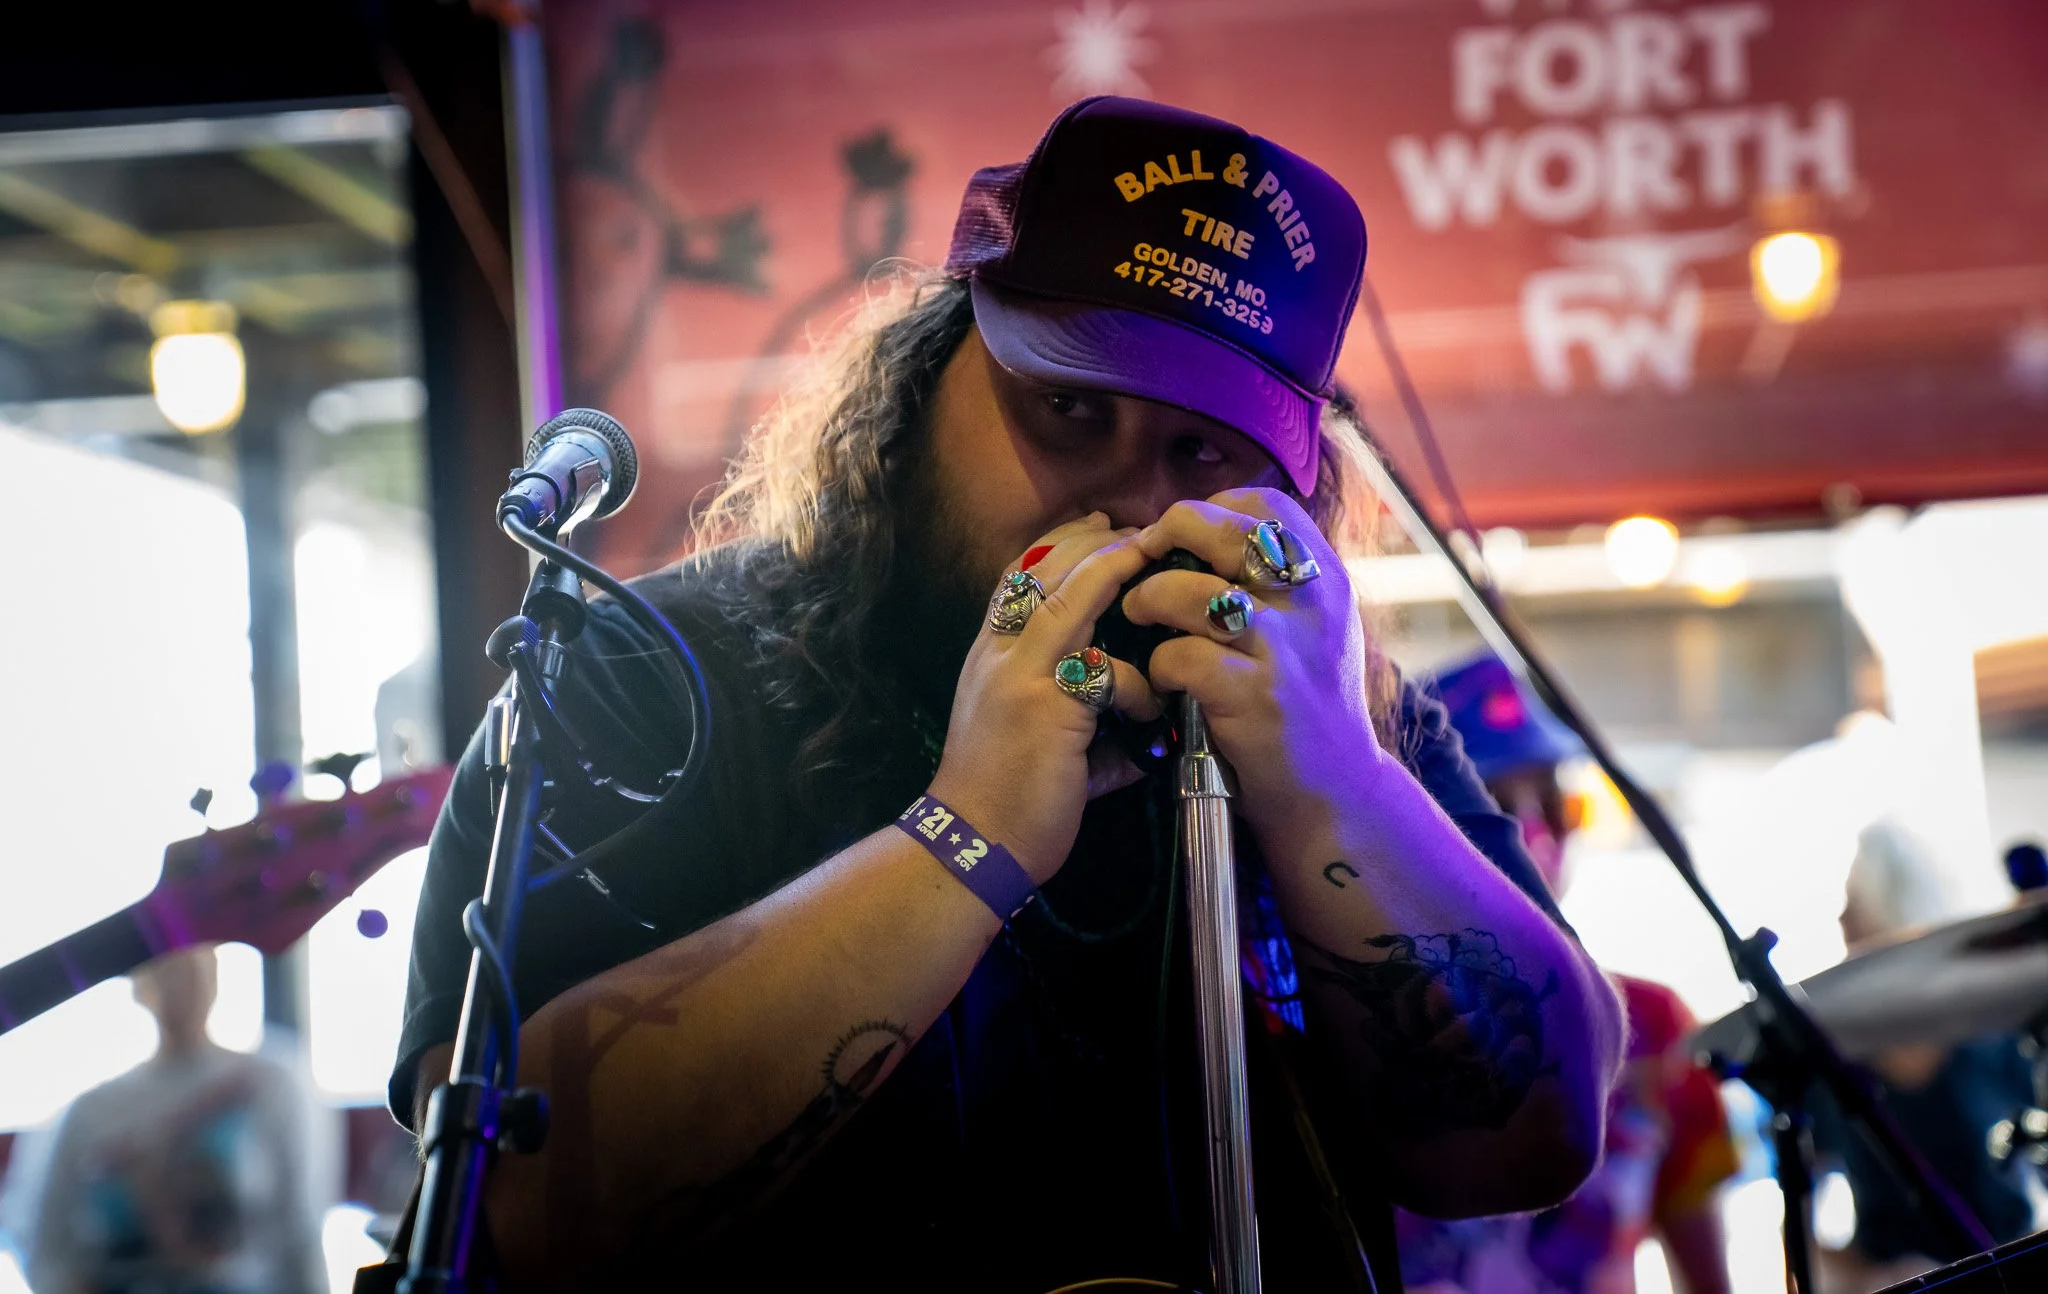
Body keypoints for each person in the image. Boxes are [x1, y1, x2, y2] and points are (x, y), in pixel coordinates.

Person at [390, 96, 1624, 1292]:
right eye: (1069, 409)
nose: (1131, 500)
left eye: (1200, 450)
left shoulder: (1330, 710)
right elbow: (516, 1213)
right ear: (930, 371)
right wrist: (967, 832)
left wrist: (1333, 787)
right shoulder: (645, 663)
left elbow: (1532, 1141)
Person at [1395, 652, 1739, 1294]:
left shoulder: (1656, 1028)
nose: (1534, 834)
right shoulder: (1354, 1031)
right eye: (1495, 805)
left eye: (1555, 804)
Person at [1810, 819, 2041, 1293]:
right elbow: (1799, 1228)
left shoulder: (1996, 1041)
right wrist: (1867, 1277)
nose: (1841, 922)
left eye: (1855, 908)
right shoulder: (1828, 1068)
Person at [12, 946, 325, 1294]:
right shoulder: (91, 1110)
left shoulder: (271, 1084)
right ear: (138, 986)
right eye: (165, 973)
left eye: (192, 970)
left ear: (216, 975)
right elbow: (45, 1245)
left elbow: (301, 1232)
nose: (179, 987)